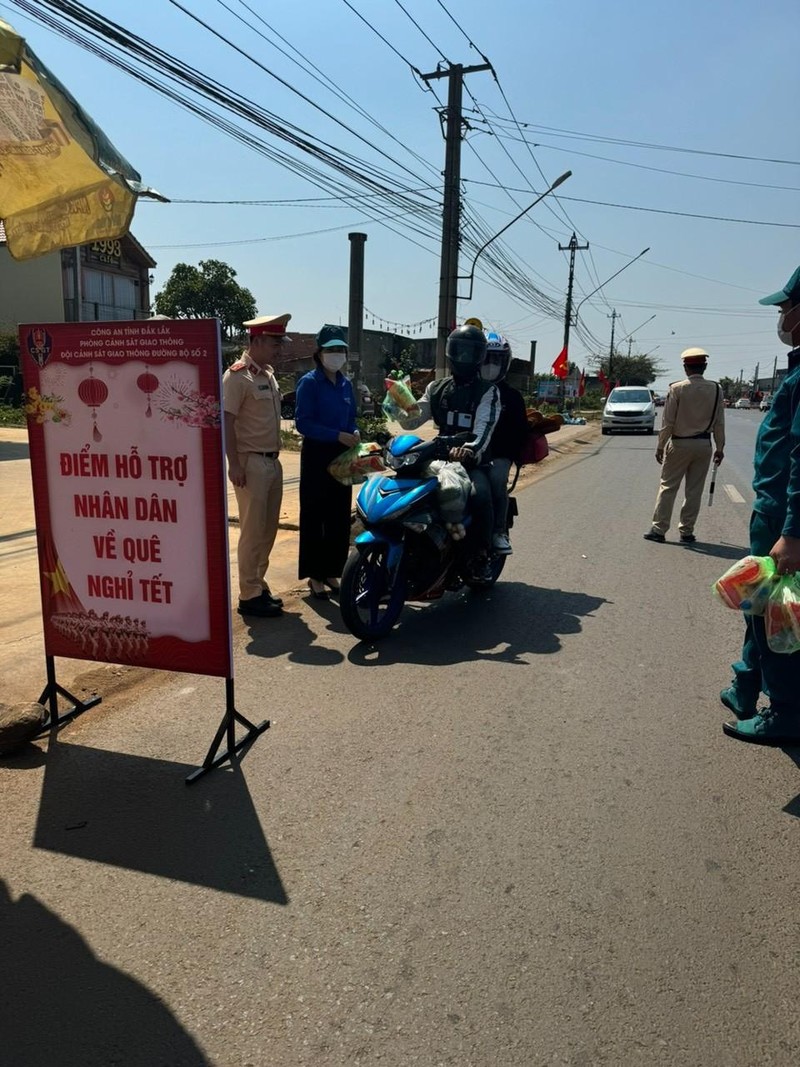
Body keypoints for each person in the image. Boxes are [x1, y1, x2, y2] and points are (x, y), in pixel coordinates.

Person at [722, 265, 800, 745]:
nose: (782, 315)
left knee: (780, 620)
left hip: (782, 518)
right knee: (761, 606)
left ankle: (786, 714)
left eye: (785, 306)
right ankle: (746, 684)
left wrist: (792, 531)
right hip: (777, 514)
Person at [399, 324, 500, 580]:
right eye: (459, 350)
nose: (464, 357)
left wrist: (469, 450)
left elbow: (483, 431)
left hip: (471, 463)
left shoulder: (488, 391)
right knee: (404, 488)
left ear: (479, 356)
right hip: (439, 459)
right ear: (450, 352)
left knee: (480, 495)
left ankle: (481, 556)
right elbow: (411, 421)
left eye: (470, 352)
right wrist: (399, 403)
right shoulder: (436, 388)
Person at [222, 314, 289, 618]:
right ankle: (248, 594)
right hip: (250, 463)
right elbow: (227, 421)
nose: (279, 349)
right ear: (258, 340)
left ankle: (258, 585)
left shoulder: (268, 375)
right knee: (251, 531)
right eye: (275, 342)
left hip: (272, 461)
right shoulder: (237, 376)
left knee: (267, 529)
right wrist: (233, 463)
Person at [295, 325, 359, 600]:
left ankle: (332, 571)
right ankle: (315, 575)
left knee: (339, 515)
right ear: (319, 353)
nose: (336, 355)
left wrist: (354, 431)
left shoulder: (346, 384)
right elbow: (303, 423)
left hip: (343, 456)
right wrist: (336, 435)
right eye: (330, 350)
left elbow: (352, 417)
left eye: (340, 350)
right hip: (317, 455)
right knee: (315, 515)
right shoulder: (309, 383)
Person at [642, 347, 725, 544]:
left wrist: (660, 445)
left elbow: (668, 422)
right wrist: (720, 448)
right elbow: (720, 422)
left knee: (668, 487)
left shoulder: (677, 389)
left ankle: (659, 529)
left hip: (679, 444)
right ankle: (687, 532)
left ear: (686, 368)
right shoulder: (716, 389)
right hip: (704, 445)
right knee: (694, 490)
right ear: (704, 367)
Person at [480, 332, 528, 555]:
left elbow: (519, 432)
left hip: (497, 455)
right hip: (463, 453)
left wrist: (508, 455)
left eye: (496, 360)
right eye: (486, 358)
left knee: (496, 480)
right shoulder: (468, 389)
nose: (490, 364)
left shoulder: (512, 397)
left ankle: (498, 531)